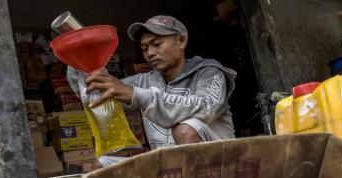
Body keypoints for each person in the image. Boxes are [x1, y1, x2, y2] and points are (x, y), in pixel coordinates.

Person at [68, 15, 237, 167]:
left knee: (185, 130)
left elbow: (205, 107)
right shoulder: (145, 81)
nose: (150, 53)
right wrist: (81, 60)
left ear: (181, 41)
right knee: (103, 165)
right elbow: (94, 96)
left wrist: (136, 95)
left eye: (157, 44)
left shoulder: (209, 72)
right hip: (169, 170)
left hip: (219, 166)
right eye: (144, 48)